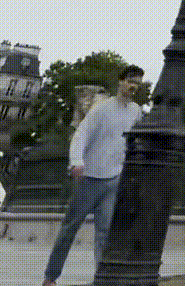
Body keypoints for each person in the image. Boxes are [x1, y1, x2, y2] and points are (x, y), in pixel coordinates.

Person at [43, 64, 145, 286]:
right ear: (120, 81)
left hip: (113, 180)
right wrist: (77, 162)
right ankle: (51, 276)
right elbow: (81, 134)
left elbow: (134, 141)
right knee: (70, 228)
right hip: (89, 179)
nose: (132, 86)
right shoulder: (101, 109)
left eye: (136, 83)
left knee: (105, 231)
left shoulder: (136, 111)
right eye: (129, 81)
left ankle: (103, 278)